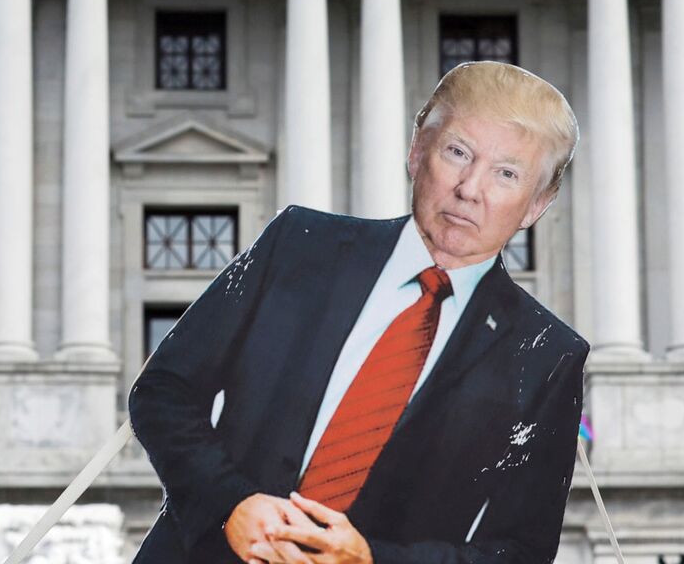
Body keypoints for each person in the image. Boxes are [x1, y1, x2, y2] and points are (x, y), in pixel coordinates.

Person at [128, 61, 590, 564]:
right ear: (417, 152)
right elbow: (164, 389)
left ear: (536, 205)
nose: (470, 188)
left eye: (506, 174)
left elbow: (520, 552)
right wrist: (229, 505)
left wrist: (372, 560)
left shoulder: (549, 356)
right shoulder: (300, 244)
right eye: (458, 153)